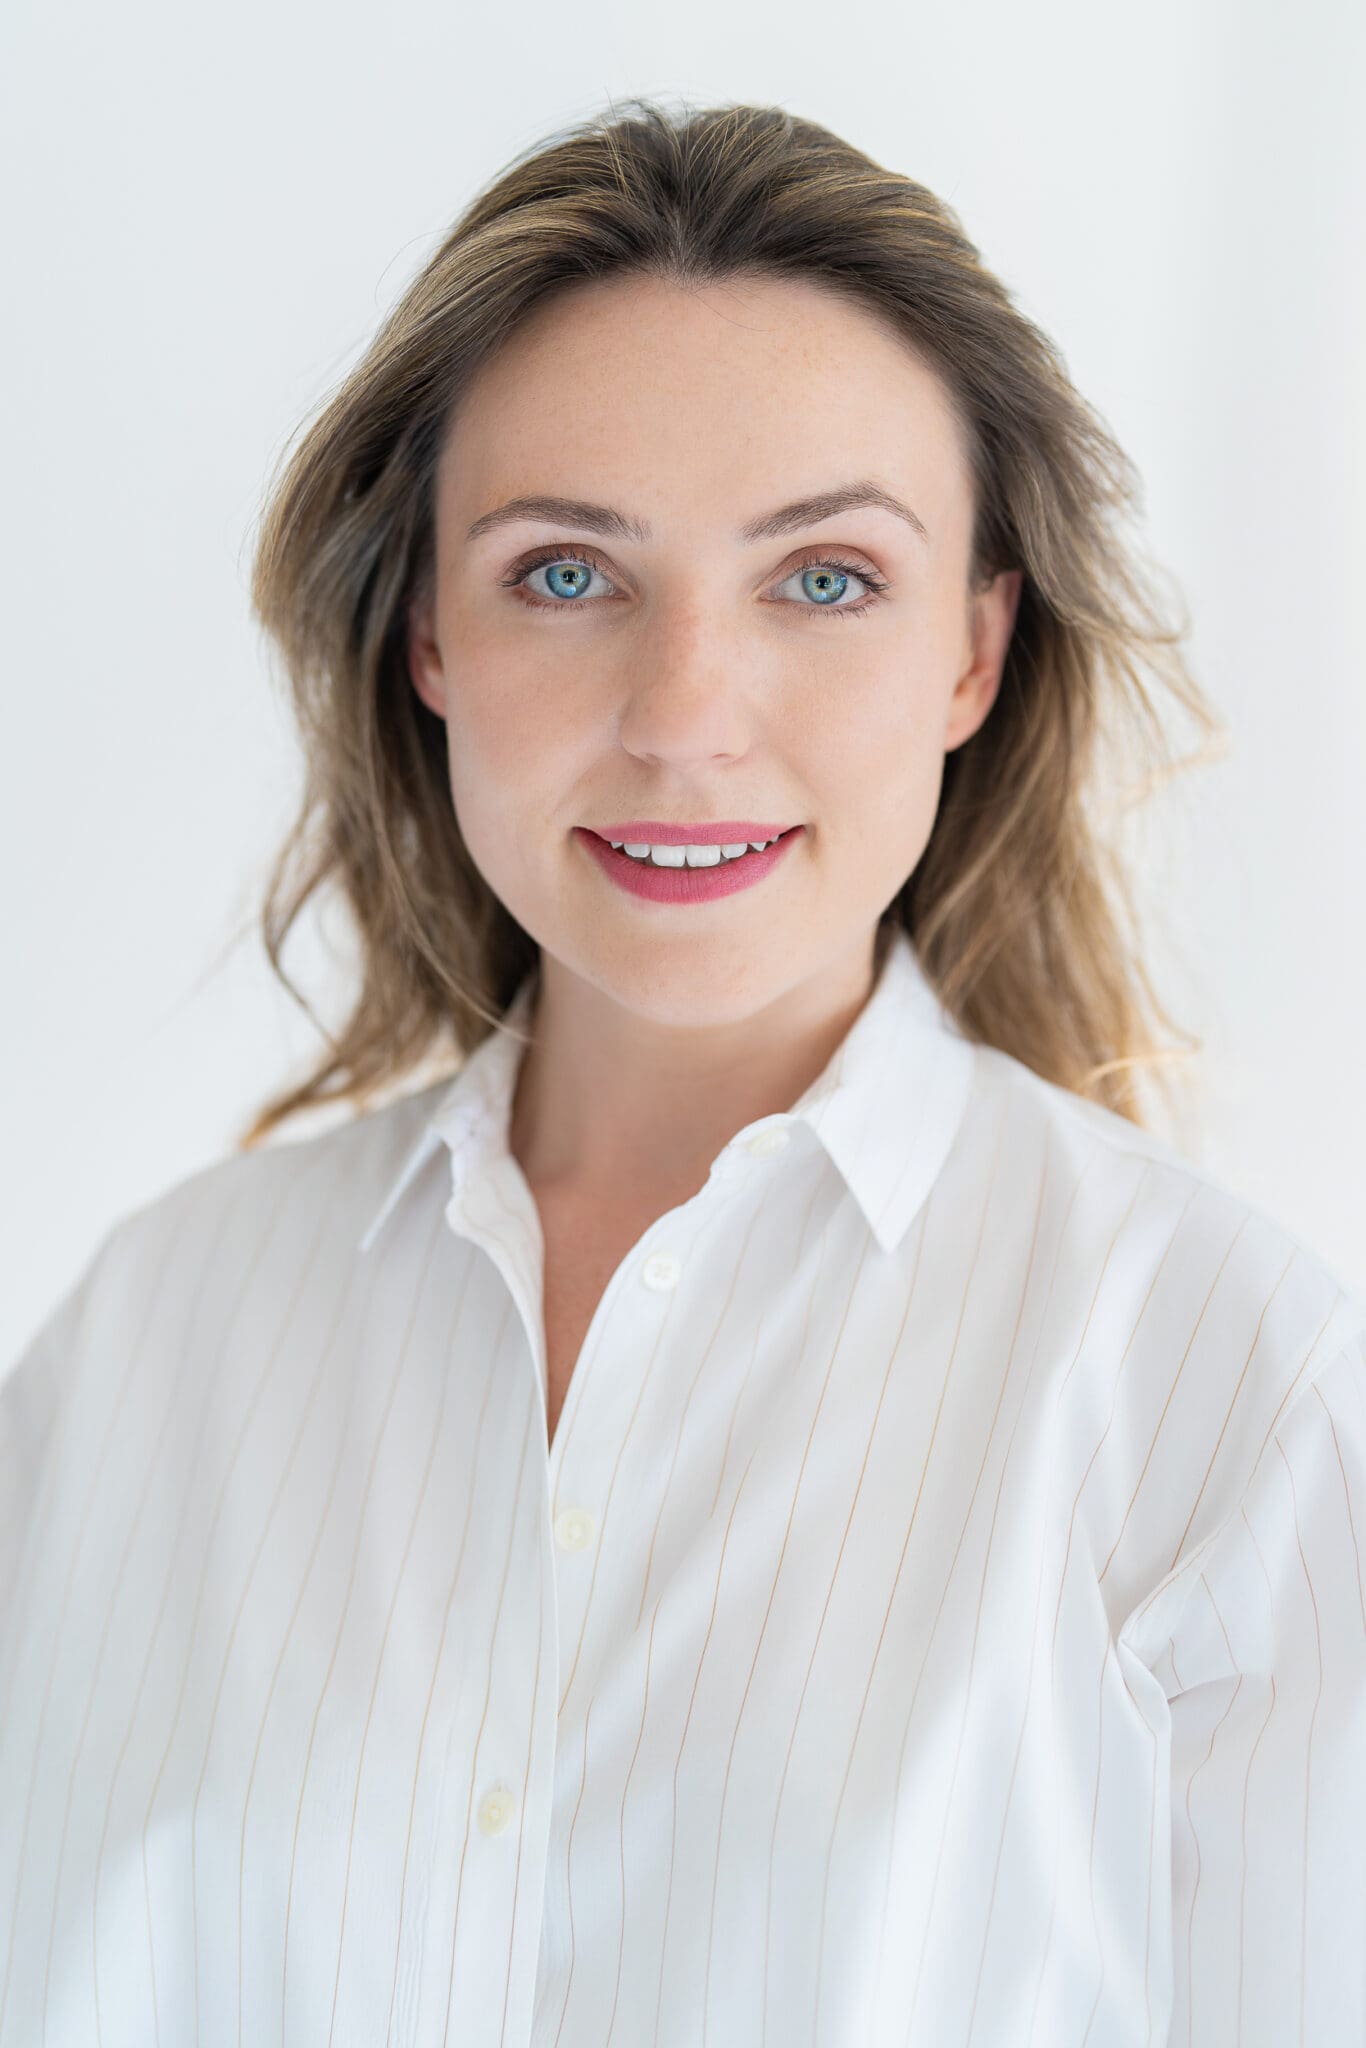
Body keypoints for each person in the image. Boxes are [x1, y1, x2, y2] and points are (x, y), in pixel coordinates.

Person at [2, 96, 1363, 2048]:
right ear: (425, 637)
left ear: (974, 653)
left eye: (822, 579)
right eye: (565, 574)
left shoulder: (1225, 1402)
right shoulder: (146, 1348)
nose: (683, 719)